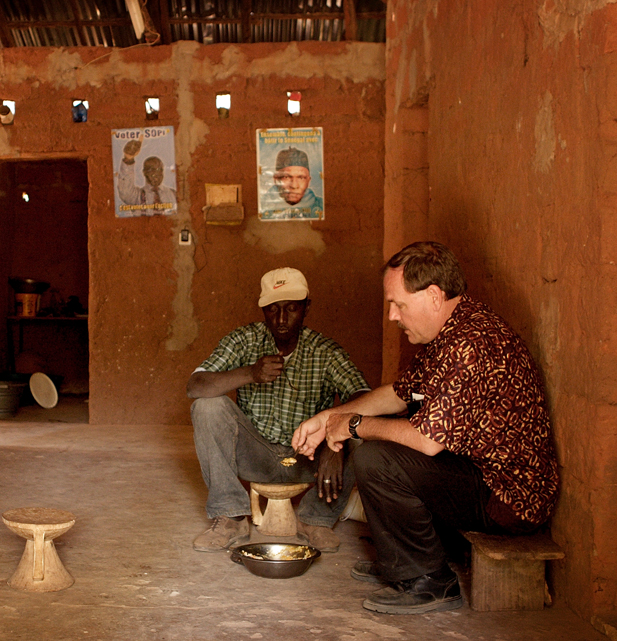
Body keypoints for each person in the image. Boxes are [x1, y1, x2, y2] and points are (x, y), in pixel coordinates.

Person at [292, 241, 559, 615]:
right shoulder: (451, 330)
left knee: (376, 455)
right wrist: (327, 420)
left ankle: (430, 579)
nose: (391, 316)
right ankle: (402, 559)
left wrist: (352, 425)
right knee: (378, 439)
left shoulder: (471, 344)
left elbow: (429, 442)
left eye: (398, 304)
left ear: (433, 296)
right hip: (478, 472)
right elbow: (399, 394)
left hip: (507, 498)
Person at [187, 268, 370, 553]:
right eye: (273, 310)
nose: (282, 319)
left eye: (291, 308)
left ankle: (315, 519)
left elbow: (365, 397)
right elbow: (195, 386)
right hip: (255, 454)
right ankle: (232, 518)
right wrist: (250, 373)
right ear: (263, 310)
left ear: (307, 307)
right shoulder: (244, 340)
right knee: (207, 406)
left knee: (360, 430)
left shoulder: (325, 351)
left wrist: (335, 439)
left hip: (307, 457)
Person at [117, 135, 177, 216]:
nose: (156, 174)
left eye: (160, 170)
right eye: (152, 170)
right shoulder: (137, 196)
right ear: (144, 172)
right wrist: (128, 159)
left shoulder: (173, 194)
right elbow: (125, 191)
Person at [271, 147, 323, 216]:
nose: (294, 186)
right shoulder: (261, 206)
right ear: (276, 180)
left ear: (308, 181)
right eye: (286, 177)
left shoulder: (322, 206)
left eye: (301, 178)